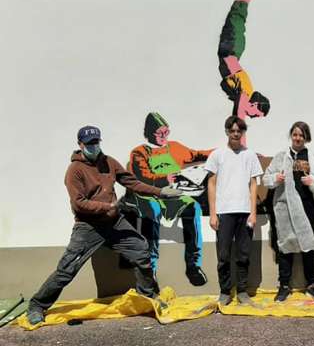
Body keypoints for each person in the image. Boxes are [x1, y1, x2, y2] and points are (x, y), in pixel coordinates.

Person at [25, 125, 182, 325]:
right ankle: (37, 305)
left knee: (141, 250)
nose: (94, 146)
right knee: (66, 270)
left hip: (115, 222)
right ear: (80, 144)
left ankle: (147, 295)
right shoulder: (75, 170)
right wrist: (107, 206)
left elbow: (132, 182)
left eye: (96, 142)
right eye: (89, 143)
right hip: (88, 227)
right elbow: (78, 203)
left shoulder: (109, 162)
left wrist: (161, 192)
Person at [127, 112, 212, 286]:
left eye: (167, 132)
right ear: (150, 132)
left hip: (173, 196)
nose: (165, 136)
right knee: (153, 211)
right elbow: (143, 176)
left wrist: (223, 151)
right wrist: (165, 178)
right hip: (150, 196)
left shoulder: (174, 147)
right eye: (160, 133)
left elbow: (197, 154)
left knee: (193, 207)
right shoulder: (139, 152)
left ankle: (193, 264)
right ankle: (150, 269)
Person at [262, 122, 314, 302]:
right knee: (285, 246)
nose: (298, 138)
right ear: (291, 136)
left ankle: (312, 285)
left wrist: (313, 181)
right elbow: (266, 178)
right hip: (284, 208)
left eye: (301, 135)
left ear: (306, 137)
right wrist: (276, 178)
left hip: (307, 207)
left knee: (308, 246)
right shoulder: (281, 157)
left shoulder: (313, 158)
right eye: (295, 134)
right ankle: (284, 286)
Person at [205, 116, 263, 306]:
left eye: (239, 131)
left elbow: (254, 185)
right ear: (227, 132)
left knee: (243, 254)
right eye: (232, 131)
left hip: (245, 212)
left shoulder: (250, 155)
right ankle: (225, 292)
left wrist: (253, 213)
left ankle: (243, 292)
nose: (236, 134)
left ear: (243, 133)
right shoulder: (217, 155)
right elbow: (211, 183)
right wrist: (213, 213)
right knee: (223, 255)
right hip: (224, 212)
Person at [218, 0, 270, 121]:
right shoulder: (245, 92)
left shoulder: (242, 94)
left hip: (232, 47)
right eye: (256, 114)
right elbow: (232, 64)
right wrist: (226, 55)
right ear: (255, 105)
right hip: (232, 45)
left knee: (239, 9)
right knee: (239, 8)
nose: (252, 116)